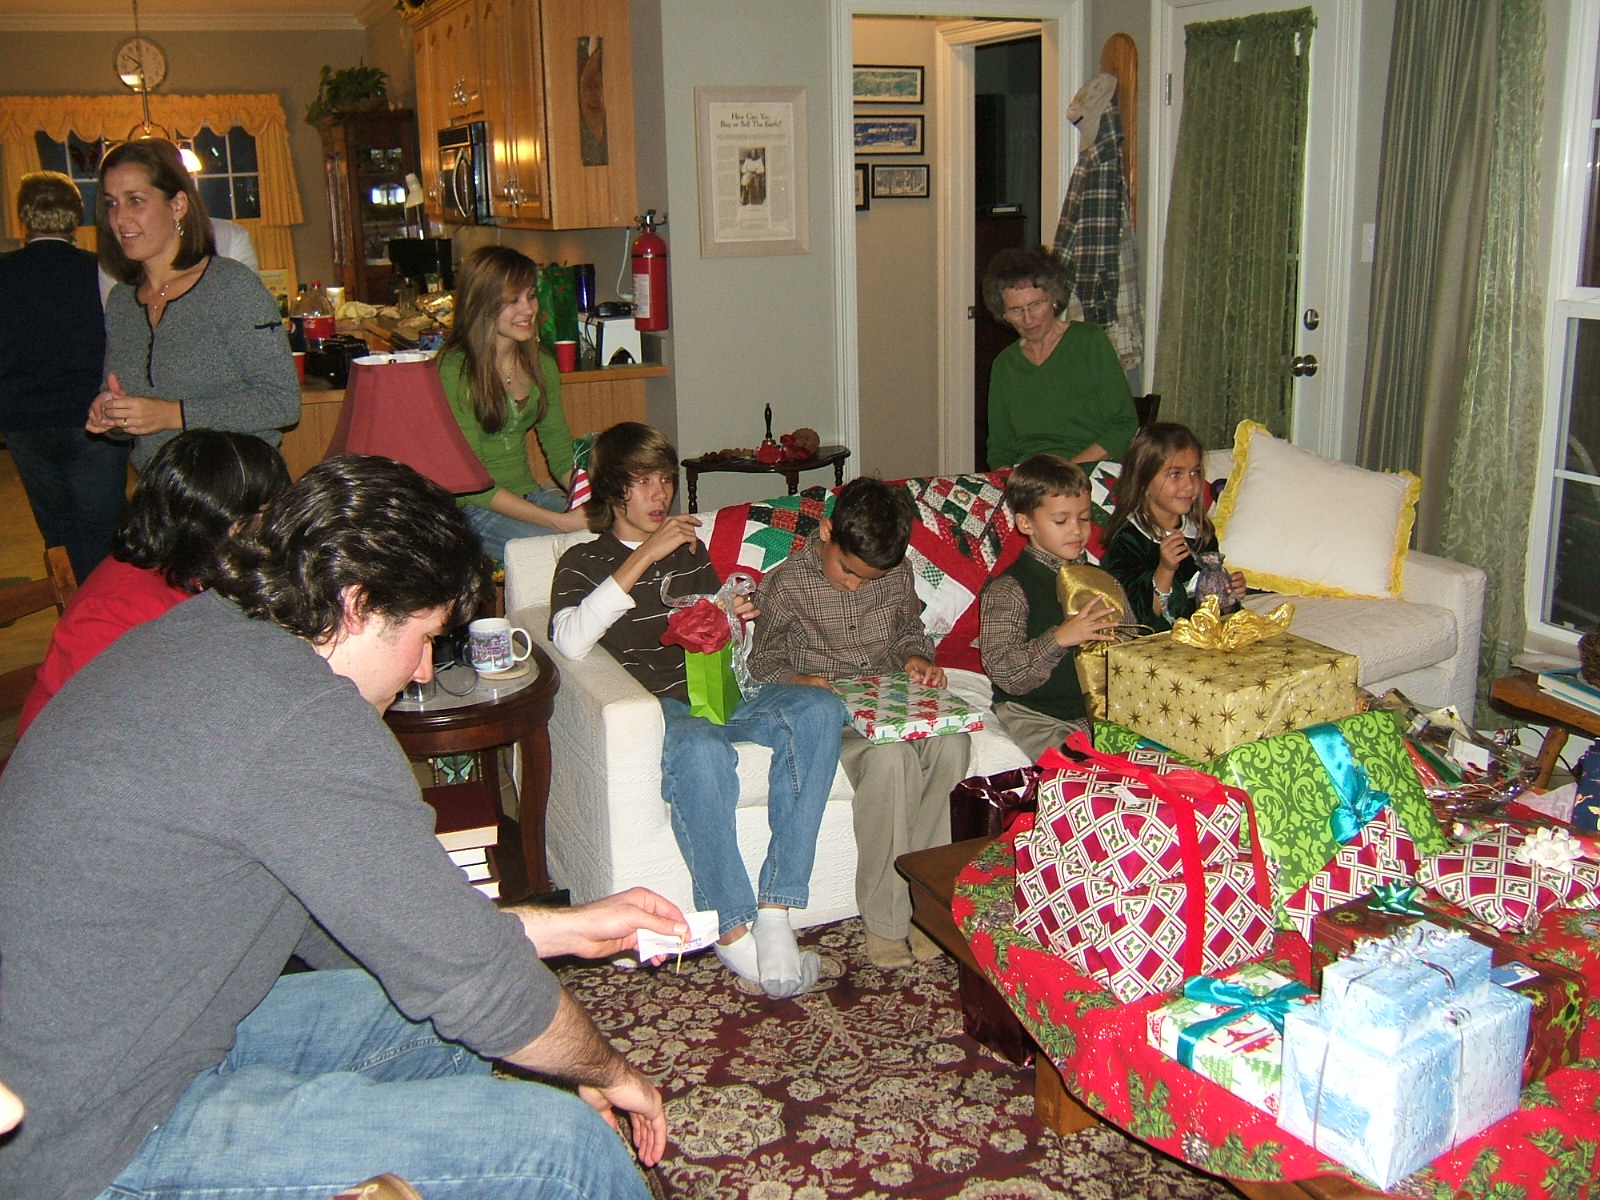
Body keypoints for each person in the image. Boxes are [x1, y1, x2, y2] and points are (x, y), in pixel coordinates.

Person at [0, 454, 686, 1200]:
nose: (423, 670)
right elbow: (468, 977)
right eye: (424, 636)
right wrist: (608, 1070)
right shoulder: (300, 717)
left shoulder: (215, 636)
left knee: (432, 1021)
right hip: (86, 1140)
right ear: (357, 606)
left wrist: (560, 930)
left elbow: (383, 930)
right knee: (561, 1147)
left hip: (147, 1036)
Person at [549, 422, 845, 998]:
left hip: (725, 690)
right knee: (700, 750)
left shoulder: (690, 550)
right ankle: (733, 930)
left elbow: (721, 637)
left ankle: (776, 911)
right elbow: (570, 640)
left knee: (817, 710)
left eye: (665, 480)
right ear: (612, 489)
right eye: (643, 482)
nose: (659, 494)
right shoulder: (584, 560)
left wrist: (737, 618)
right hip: (663, 704)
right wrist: (644, 556)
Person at [747, 476, 969, 969]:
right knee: (891, 762)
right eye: (848, 571)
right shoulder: (787, 584)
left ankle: (928, 906)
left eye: (868, 579)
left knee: (953, 744)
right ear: (827, 531)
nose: (854, 585)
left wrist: (915, 657)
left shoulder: (896, 571)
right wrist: (800, 680)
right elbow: (759, 662)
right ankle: (886, 921)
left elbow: (908, 631)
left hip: (891, 700)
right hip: (834, 712)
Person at [17, 429, 290, 735]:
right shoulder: (113, 614)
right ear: (222, 524)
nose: (274, 531)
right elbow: (88, 736)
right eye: (264, 516)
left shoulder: (201, 571)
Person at [84, 137, 299, 469]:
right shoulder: (122, 301)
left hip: (234, 486)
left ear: (178, 205)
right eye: (112, 203)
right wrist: (111, 414)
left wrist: (172, 414)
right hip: (160, 486)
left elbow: (282, 402)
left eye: (136, 200)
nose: (120, 218)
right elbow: (126, 409)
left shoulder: (230, 286)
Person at [0, 170, 128, 583]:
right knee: (105, 531)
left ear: (24, 216)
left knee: (57, 533)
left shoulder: (4, 272)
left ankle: (72, 607)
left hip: (25, 420)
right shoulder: (103, 271)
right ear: (77, 214)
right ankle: (109, 609)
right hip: (93, 416)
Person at [439, 245, 587, 560]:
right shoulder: (455, 370)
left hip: (527, 494)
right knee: (556, 549)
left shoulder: (541, 365)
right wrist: (560, 521)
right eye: (513, 300)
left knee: (610, 535)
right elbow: (473, 484)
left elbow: (561, 455)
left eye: (531, 296)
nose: (528, 309)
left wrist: (590, 499)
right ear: (481, 304)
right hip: (473, 509)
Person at [978, 454, 1124, 760]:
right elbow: (1004, 672)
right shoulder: (1009, 589)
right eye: (1061, 521)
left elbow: (1128, 642)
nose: (1077, 530)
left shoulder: (1100, 580)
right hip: (1035, 713)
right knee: (1072, 766)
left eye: (1084, 518)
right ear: (1025, 523)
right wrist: (1060, 638)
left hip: (1095, 711)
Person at [982, 245, 1138, 469]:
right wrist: (1006, 475)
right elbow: (1000, 447)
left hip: (1089, 468)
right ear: (1003, 314)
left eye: (1036, 304)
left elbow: (1124, 425)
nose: (1028, 319)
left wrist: (1065, 470)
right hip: (1030, 474)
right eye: (1015, 310)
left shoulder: (1089, 342)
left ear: (1054, 298)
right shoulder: (1004, 365)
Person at [1101, 421, 1246, 630]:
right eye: (1175, 474)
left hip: (1202, 637)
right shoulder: (1128, 541)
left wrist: (1227, 595)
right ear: (1143, 481)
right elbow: (1133, 618)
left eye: (1195, 472)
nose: (1189, 485)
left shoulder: (1200, 533)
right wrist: (1165, 569)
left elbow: (1208, 608)